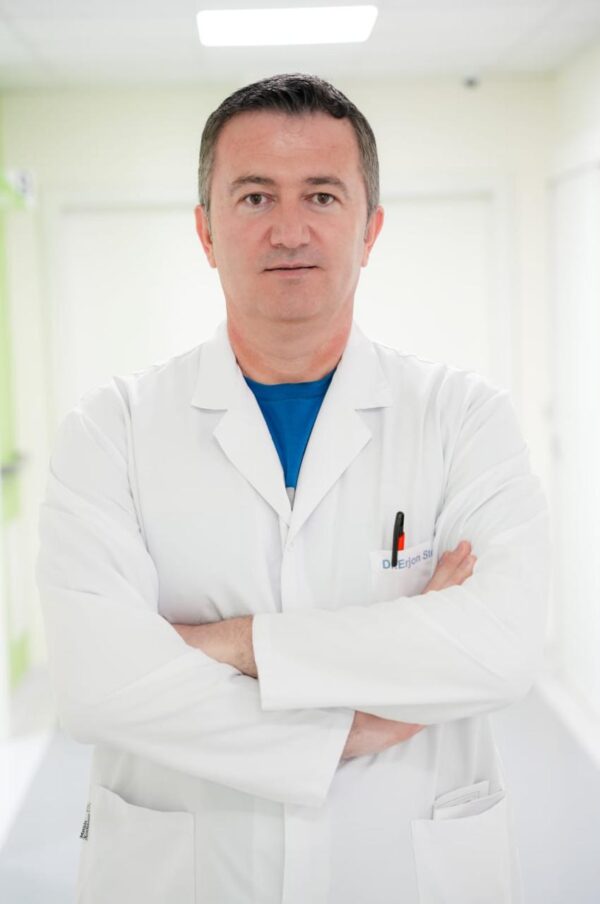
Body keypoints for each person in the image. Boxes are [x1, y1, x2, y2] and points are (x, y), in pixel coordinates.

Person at [36, 73, 550, 904]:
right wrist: (352, 729)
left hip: (405, 866)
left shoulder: (463, 417)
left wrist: (232, 644)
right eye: (253, 197)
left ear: (369, 228)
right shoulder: (110, 429)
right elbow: (96, 685)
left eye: (321, 195)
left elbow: (501, 648)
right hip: (187, 872)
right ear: (205, 230)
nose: (288, 229)